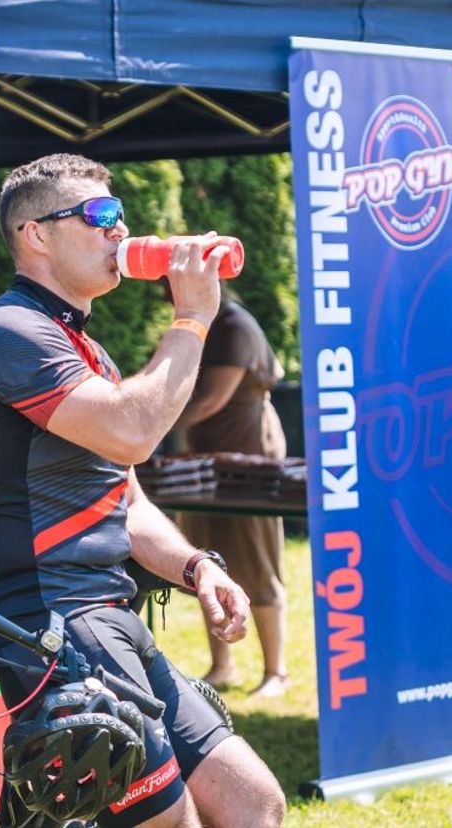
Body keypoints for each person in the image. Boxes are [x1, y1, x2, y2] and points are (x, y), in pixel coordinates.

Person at [0, 153, 285, 828]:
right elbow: (133, 433)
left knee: (255, 802)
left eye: (120, 214)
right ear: (37, 235)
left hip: (105, 611)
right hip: (45, 614)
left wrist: (198, 567)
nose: (118, 230)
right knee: (172, 822)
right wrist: (192, 317)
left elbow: (125, 501)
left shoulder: (86, 351)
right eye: (98, 215)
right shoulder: (6, 331)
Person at [170, 291, 291, 698]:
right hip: (206, 467)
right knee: (208, 562)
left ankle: (276, 672)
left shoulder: (235, 326)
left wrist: (155, 427)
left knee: (257, 565)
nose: (167, 292)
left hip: (247, 467)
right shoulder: (201, 325)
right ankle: (222, 666)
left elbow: (211, 400)